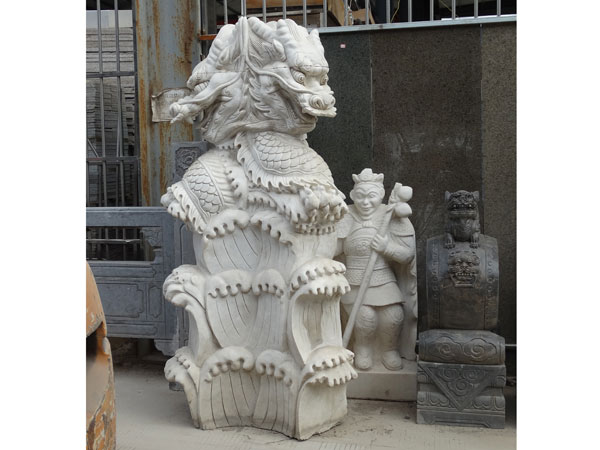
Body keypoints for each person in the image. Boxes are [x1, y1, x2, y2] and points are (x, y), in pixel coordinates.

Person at [336, 169, 417, 370]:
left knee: (394, 315)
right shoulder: (346, 215)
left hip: (383, 276)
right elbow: (334, 249)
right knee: (365, 317)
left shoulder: (389, 215)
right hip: (354, 278)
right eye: (360, 196)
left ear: (381, 195)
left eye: (371, 196)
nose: (365, 202)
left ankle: (389, 350)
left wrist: (386, 247)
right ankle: (362, 349)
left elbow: (407, 255)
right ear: (353, 195)